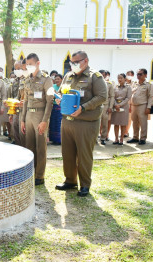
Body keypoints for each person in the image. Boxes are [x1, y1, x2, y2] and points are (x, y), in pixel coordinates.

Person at [55, 50, 107, 197]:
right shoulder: (68, 76)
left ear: (86, 61)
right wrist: (58, 98)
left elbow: (102, 96)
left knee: (84, 154)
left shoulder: (94, 77)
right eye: (72, 62)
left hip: (86, 122)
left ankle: (85, 185)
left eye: (77, 62)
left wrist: (83, 107)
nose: (74, 65)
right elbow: (60, 92)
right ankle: (70, 181)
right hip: (68, 121)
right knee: (68, 153)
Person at [20, 53, 54, 186]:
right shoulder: (27, 79)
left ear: (38, 63)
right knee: (29, 146)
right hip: (28, 115)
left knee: (40, 147)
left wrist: (45, 120)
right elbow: (25, 100)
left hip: (40, 116)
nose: (28, 67)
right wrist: (22, 119)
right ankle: (31, 172)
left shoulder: (46, 79)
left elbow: (50, 101)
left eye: (31, 64)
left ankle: (40, 175)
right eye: (27, 65)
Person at [127, 68, 153, 145]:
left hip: (143, 105)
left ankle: (143, 138)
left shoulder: (148, 84)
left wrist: (148, 107)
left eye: (140, 74)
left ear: (145, 75)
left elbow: (150, 97)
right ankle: (135, 137)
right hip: (134, 105)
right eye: (137, 74)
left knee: (143, 123)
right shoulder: (135, 83)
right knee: (134, 122)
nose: (138, 76)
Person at [9, 59, 28, 147]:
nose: (17, 71)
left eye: (19, 68)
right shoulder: (15, 81)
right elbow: (14, 96)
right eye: (15, 69)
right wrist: (11, 113)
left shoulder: (27, 79)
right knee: (15, 130)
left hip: (25, 110)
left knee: (23, 133)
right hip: (16, 109)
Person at [111, 73, 132, 145]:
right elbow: (113, 97)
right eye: (118, 78)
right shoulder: (115, 87)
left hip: (124, 106)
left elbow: (128, 98)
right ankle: (116, 139)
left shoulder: (128, 87)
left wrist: (120, 105)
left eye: (121, 78)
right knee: (116, 123)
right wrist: (116, 105)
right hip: (116, 106)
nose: (119, 79)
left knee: (123, 124)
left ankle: (121, 139)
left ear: (125, 79)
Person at [99, 70, 115, 145]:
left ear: (105, 76)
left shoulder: (109, 84)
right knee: (96, 123)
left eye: (104, 75)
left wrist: (110, 107)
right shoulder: (95, 83)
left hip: (105, 106)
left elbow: (112, 96)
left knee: (105, 122)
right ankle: (95, 138)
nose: (102, 76)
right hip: (97, 105)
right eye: (101, 74)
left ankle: (103, 138)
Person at [49, 73, 63, 145]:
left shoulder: (63, 87)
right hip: (53, 106)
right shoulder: (53, 86)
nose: (57, 80)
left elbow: (62, 96)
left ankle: (59, 140)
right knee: (53, 123)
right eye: (56, 79)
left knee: (59, 123)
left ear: (62, 79)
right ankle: (53, 139)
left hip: (60, 107)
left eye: (58, 79)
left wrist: (56, 93)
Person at [124, 70, 136, 137]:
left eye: (130, 74)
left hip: (130, 103)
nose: (128, 75)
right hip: (122, 103)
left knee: (129, 118)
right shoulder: (122, 82)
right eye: (127, 74)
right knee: (122, 118)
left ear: (132, 76)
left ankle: (126, 132)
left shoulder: (134, 83)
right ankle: (122, 131)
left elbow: (133, 91)